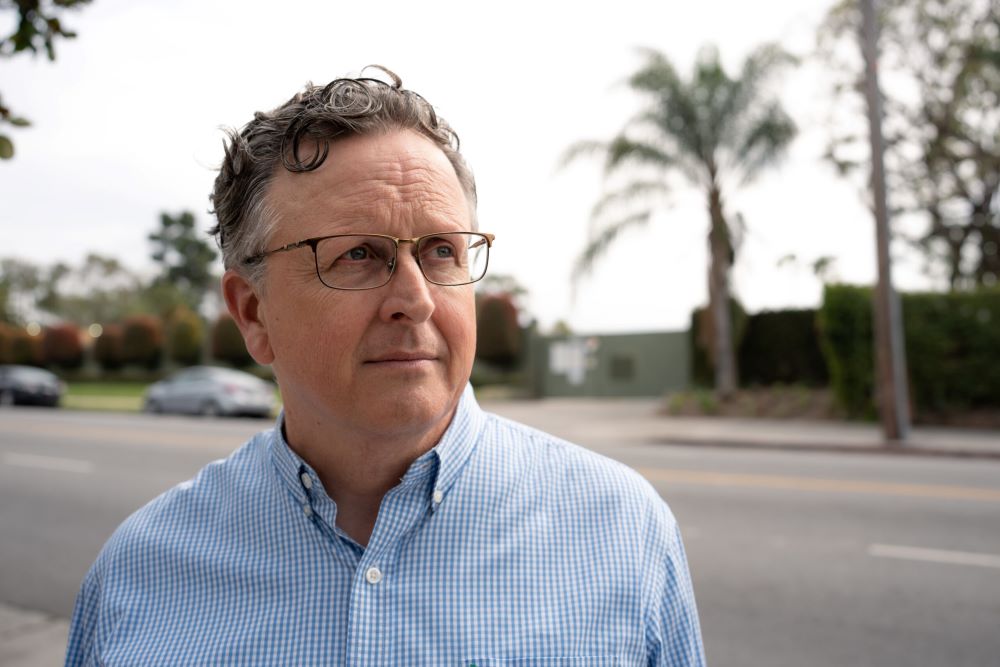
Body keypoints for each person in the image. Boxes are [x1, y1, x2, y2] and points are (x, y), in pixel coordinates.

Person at [65, 67, 705, 666]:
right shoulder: (140, 574)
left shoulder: (621, 532)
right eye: (358, 255)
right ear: (254, 313)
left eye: (442, 251)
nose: (415, 299)